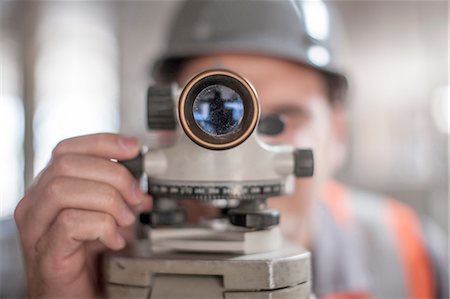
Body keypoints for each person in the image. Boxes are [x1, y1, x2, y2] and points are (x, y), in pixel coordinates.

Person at [7, 1, 448, 298]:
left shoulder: (413, 254)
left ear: (337, 134)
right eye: (216, 114)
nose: (241, 139)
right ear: (167, 123)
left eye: (281, 119)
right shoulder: (67, 253)